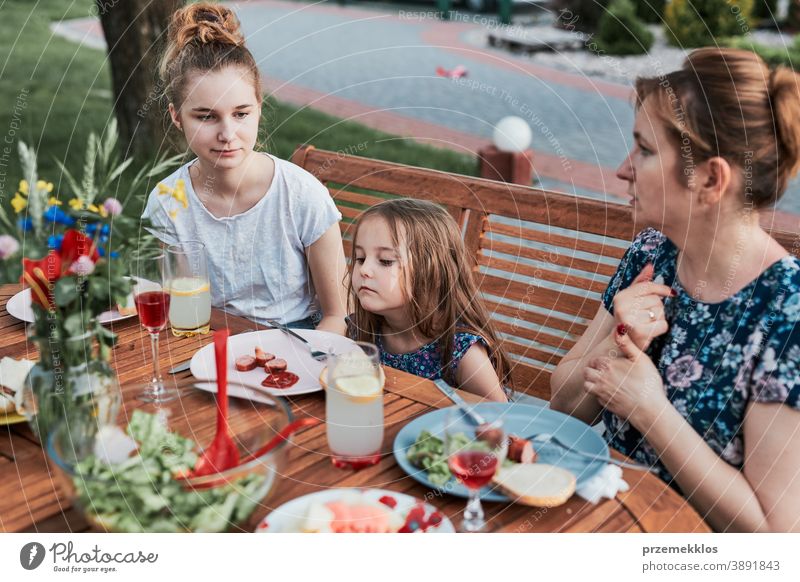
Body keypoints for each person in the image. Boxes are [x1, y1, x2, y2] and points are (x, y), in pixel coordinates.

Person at [550, 48, 800, 532]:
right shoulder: (652, 252)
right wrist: (620, 339)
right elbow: (564, 409)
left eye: (644, 149)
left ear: (710, 178)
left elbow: (776, 536)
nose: (624, 169)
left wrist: (650, 411)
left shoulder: (786, 311)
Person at [143, 3, 347, 332]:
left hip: (294, 347)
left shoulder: (302, 196)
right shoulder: (169, 202)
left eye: (241, 113)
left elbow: (338, 316)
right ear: (176, 116)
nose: (227, 134)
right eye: (206, 116)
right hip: (209, 344)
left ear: (258, 108)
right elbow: (182, 307)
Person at [347, 198, 510, 402]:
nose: (363, 269)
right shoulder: (361, 329)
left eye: (386, 261)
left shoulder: (461, 350)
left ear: (431, 271)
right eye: (360, 258)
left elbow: (502, 419)